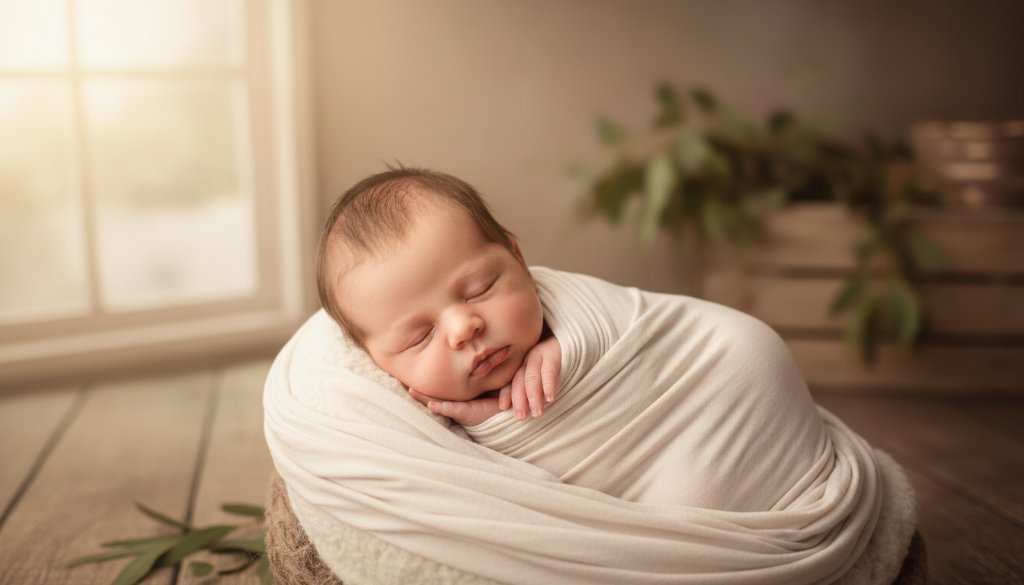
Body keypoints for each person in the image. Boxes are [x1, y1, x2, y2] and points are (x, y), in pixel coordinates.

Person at [316, 167, 561, 427]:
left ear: (518, 259)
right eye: (420, 337)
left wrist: (568, 348)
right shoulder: (403, 425)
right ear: (378, 363)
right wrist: (489, 420)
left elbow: (606, 323)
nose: (463, 329)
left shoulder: (578, 319)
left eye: (480, 289)